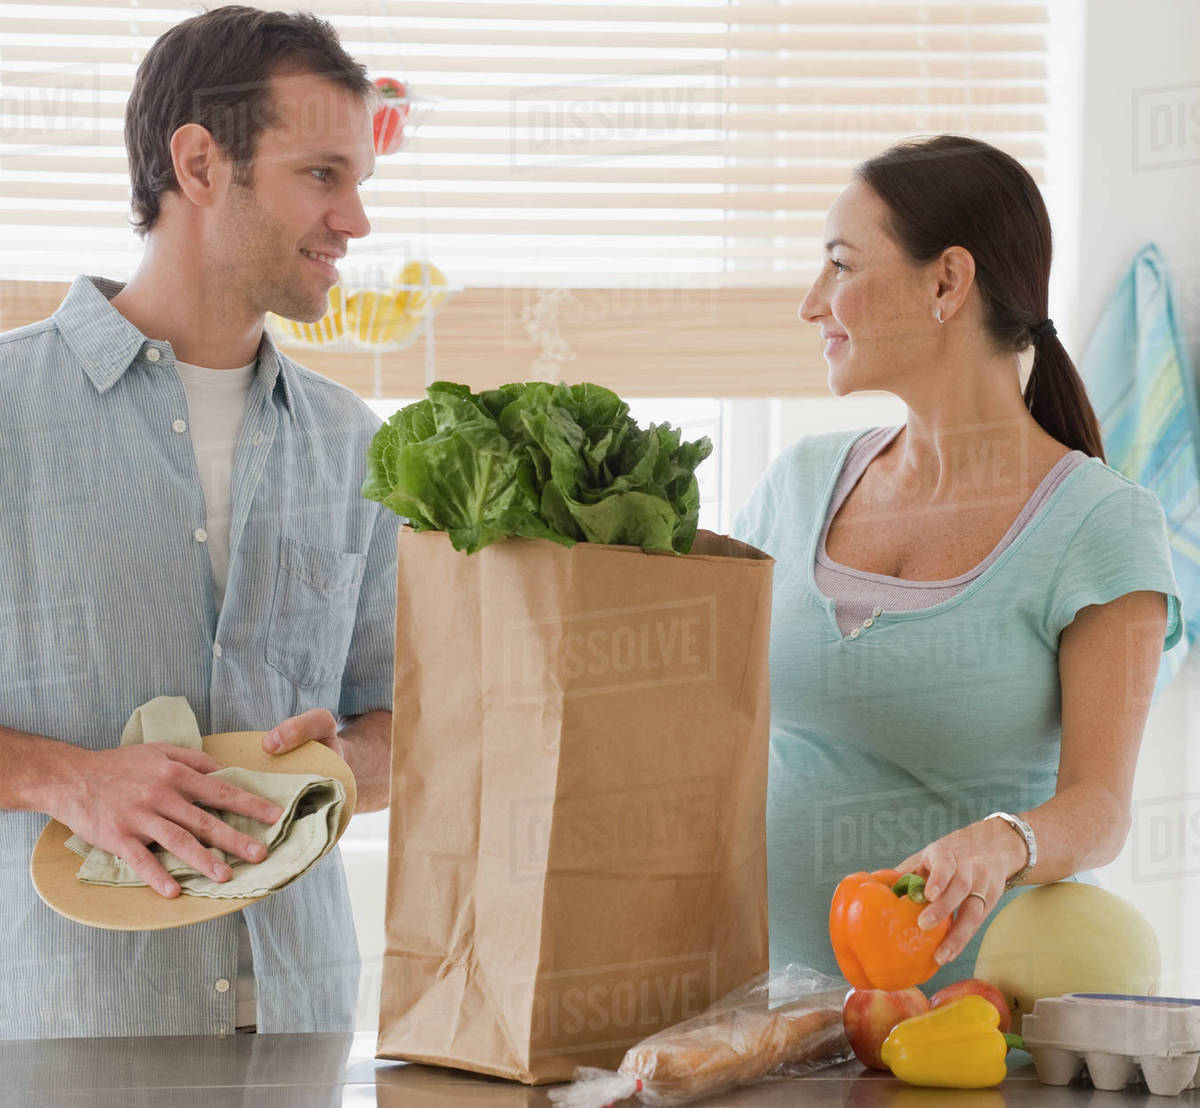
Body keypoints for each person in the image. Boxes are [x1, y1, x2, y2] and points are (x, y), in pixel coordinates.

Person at [0, 7, 399, 1037]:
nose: (355, 221)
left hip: (300, 1026)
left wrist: (345, 764)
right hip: (62, 1036)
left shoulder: (352, 444)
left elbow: (402, 721)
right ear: (200, 163)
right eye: (322, 176)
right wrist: (68, 780)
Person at [731, 134, 1183, 991]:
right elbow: (701, 720)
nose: (810, 303)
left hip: (969, 1035)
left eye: (839, 264)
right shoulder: (795, 486)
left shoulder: (1100, 525)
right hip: (757, 1018)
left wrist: (1005, 838)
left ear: (946, 282)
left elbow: (1101, 809)